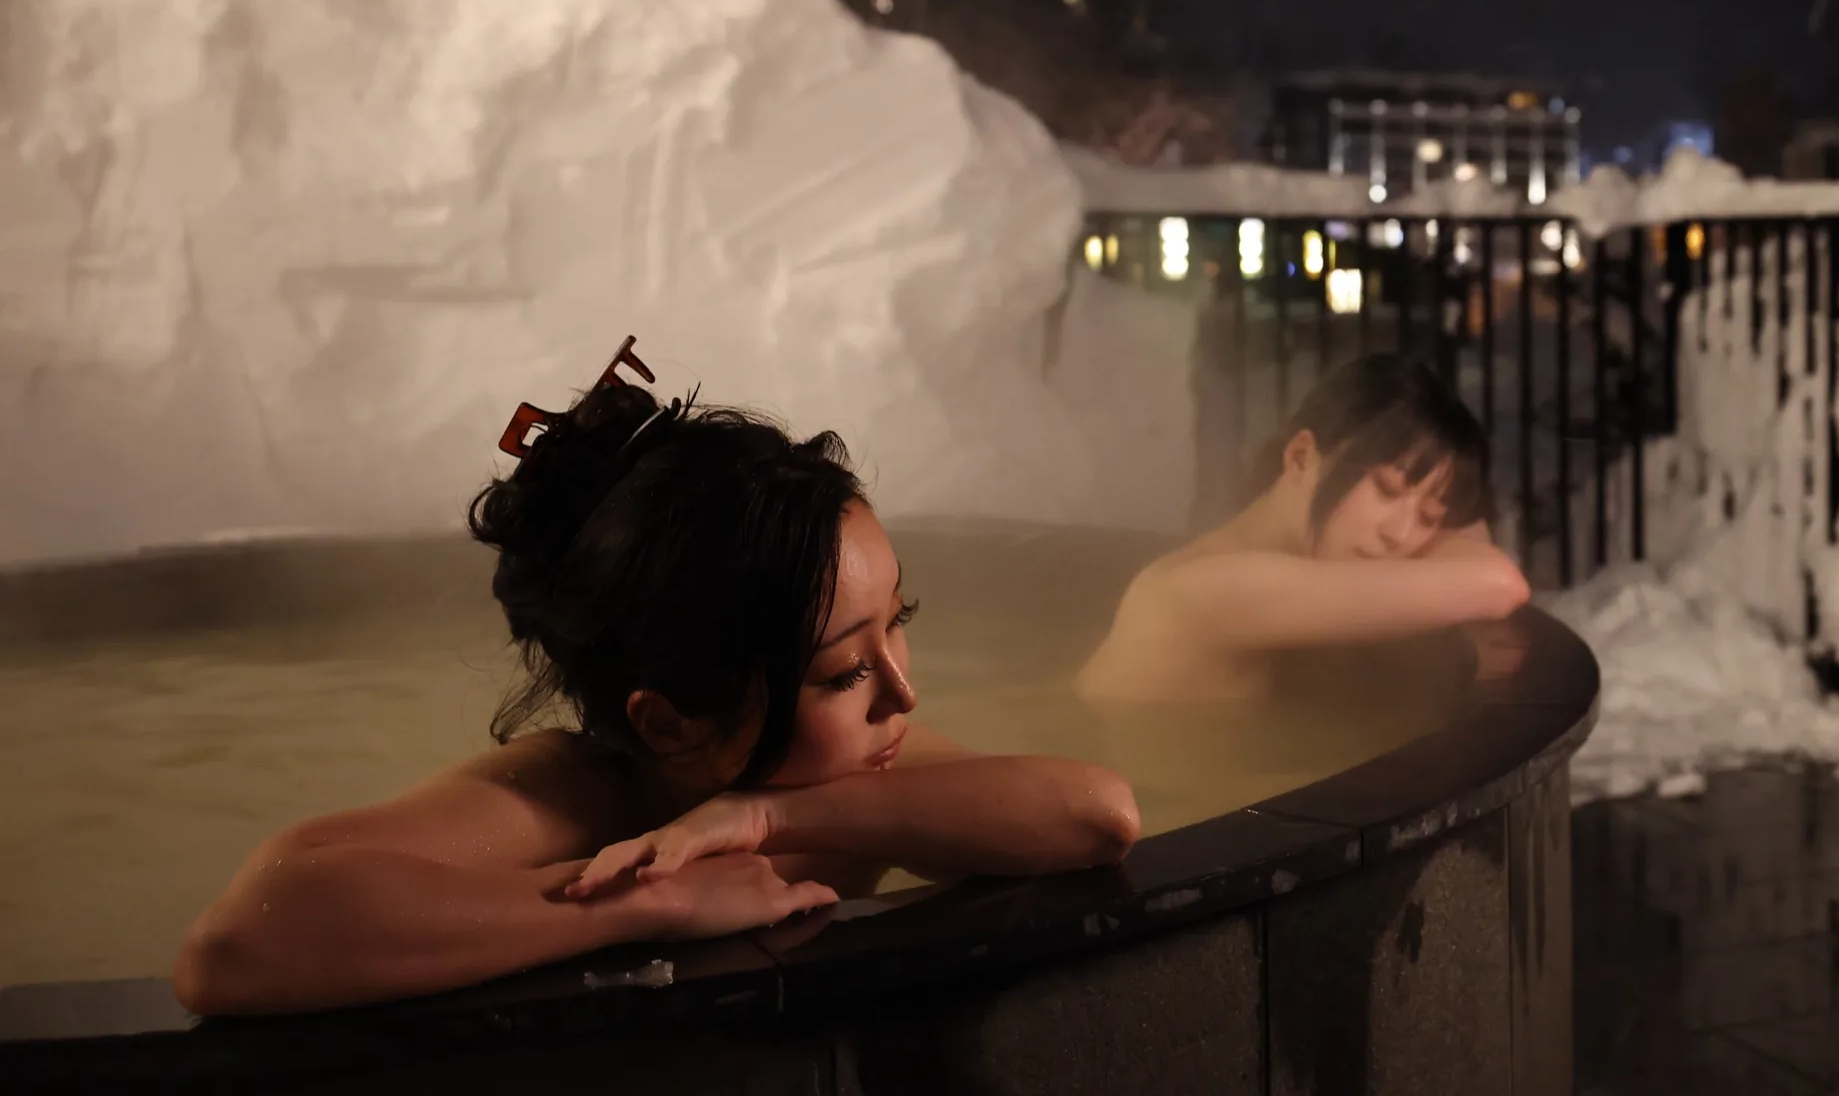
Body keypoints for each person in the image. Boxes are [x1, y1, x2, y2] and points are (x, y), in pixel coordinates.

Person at [175, 339, 1141, 1017]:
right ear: (674, 723)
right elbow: (241, 941)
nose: (903, 693)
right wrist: (646, 903)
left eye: (901, 625)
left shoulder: (832, 781)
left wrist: (768, 820)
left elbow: (1097, 816)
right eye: (847, 668)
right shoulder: (575, 795)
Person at [1076, 354, 1531, 705]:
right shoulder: (1203, 590)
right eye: (1386, 491)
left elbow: (1475, 545)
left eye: (1428, 519)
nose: (1400, 533)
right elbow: (1497, 582)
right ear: (1300, 458)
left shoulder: (1286, 575)